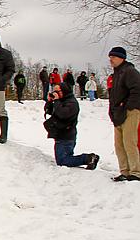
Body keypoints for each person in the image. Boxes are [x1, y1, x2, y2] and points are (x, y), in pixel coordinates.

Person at [44, 83, 100, 169]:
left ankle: (88, 158)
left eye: (57, 91)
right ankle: (88, 159)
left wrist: (57, 101)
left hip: (66, 136)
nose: (55, 93)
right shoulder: (62, 101)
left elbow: (62, 114)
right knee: (63, 160)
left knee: (62, 161)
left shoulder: (72, 103)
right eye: (54, 91)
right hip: (61, 135)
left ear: (64, 91)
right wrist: (50, 101)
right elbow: (50, 111)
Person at [107, 47, 140, 182]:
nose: (111, 60)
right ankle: (125, 171)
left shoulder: (130, 71)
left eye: (113, 57)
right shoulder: (116, 75)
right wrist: (112, 110)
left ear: (122, 58)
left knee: (129, 142)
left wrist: (128, 106)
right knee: (119, 144)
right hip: (117, 113)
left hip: (130, 112)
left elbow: (137, 89)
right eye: (110, 57)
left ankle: (136, 172)